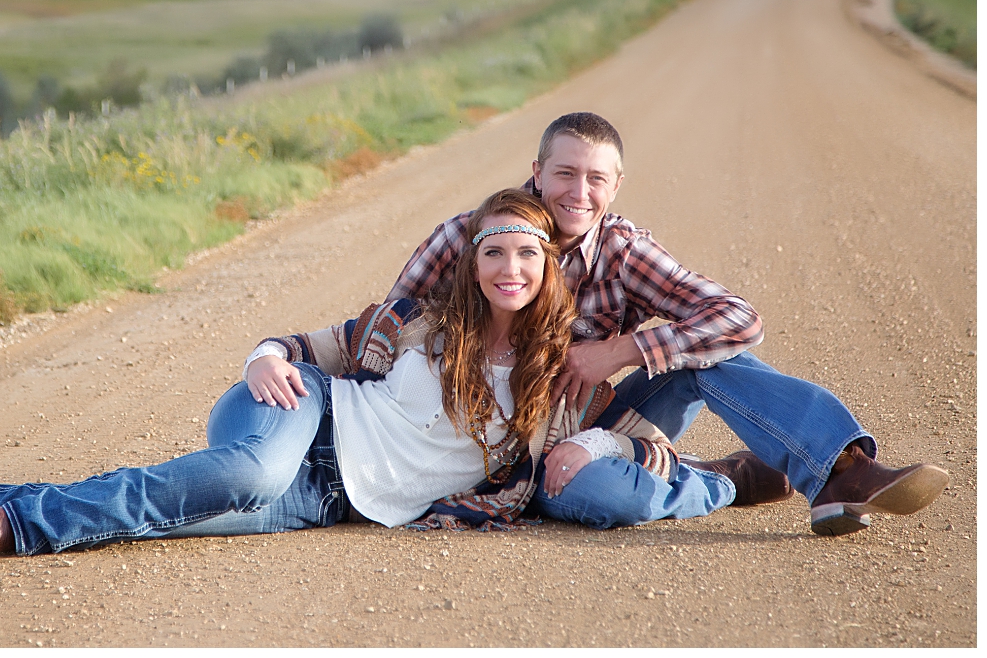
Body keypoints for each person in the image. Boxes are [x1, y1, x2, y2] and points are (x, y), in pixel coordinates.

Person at [0, 192, 771, 558]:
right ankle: (16, 527)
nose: (509, 272)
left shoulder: (561, 376)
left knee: (172, 512)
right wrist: (261, 354)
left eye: (526, 259)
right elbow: (300, 346)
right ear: (473, 262)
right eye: (494, 255)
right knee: (238, 473)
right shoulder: (415, 322)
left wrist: (638, 444)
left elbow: (609, 433)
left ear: (546, 270)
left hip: (337, 499)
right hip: (300, 420)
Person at [389, 112, 951, 536]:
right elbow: (387, 335)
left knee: (713, 352)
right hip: (496, 446)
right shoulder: (467, 238)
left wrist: (621, 351)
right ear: (537, 173)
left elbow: (737, 319)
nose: (578, 194)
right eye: (564, 173)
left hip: (598, 422)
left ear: (617, 185)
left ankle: (840, 469)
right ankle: (721, 481)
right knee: (612, 500)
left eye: (595, 179)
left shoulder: (623, 249)